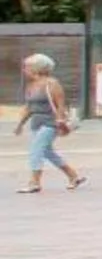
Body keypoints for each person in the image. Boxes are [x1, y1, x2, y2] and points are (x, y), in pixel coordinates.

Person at [15, 54, 80, 193]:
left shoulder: (52, 84)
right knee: (47, 152)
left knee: (36, 150)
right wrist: (20, 124)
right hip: (36, 123)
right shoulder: (31, 85)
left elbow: (60, 105)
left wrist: (60, 122)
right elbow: (29, 107)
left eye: (27, 67)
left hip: (50, 123)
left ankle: (34, 182)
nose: (24, 70)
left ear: (37, 68)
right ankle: (73, 176)